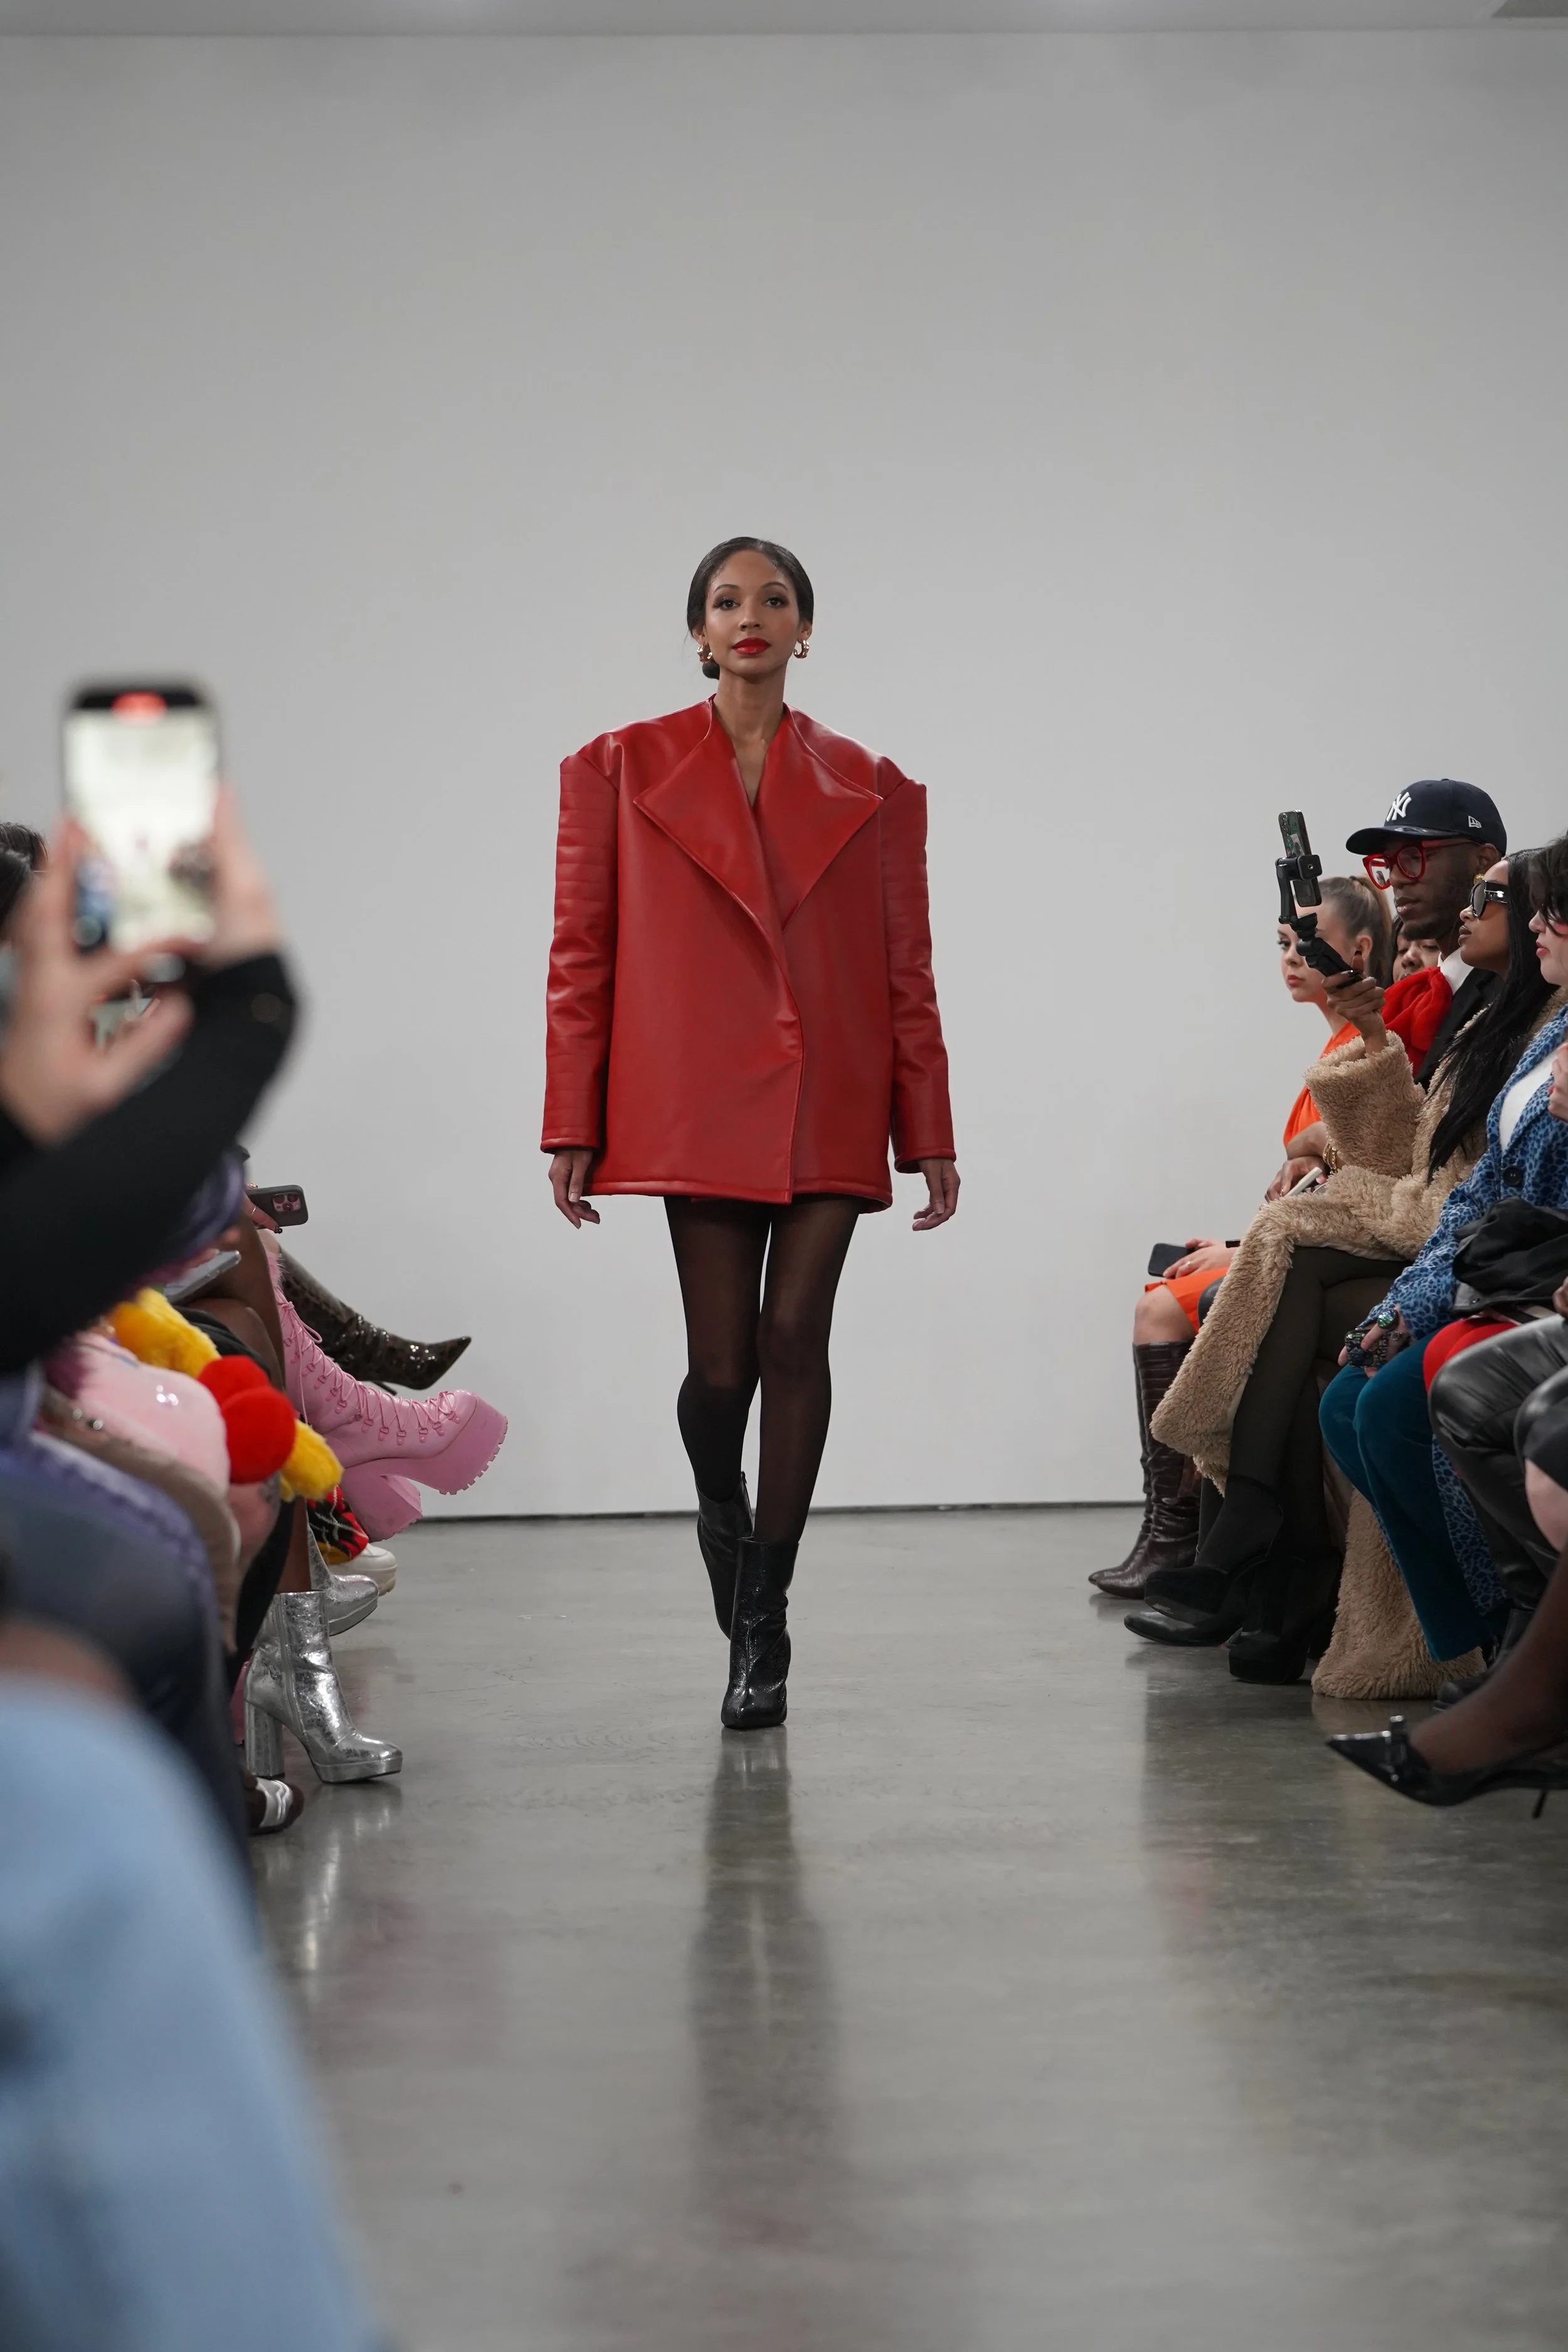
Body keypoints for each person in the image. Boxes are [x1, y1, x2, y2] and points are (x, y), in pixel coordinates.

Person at [542, 537, 957, 1729]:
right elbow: (582, 956)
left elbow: (905, 969)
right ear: (698, 630)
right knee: (721, 1370)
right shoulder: (616, 769)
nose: (752, 615)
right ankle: (718, 1497)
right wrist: (573, 1115)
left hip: (831, 1090)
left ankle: (764, 1619)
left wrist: (925, 1126)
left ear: (807, 630)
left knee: (792, 1339)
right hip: (696, 1099)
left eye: (776, 599)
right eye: (728, 600)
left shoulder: (876, 786)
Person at [1140, 846, 1548, 1682]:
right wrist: (1369, 1033)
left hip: (1481, 1258)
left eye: (1487, 892)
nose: (1464, 905)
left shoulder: (1525, 1024)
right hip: (1443, 1235)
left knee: (1287, 1273)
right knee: (1286, 1267)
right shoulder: (1488, 1013)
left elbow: (1468, 1180)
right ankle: (1256, 1560)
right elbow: (1415, 1154)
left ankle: (1244, 1544)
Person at [1093, 876, 1394, 1601]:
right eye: (1284, 943)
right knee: (1160, 1291)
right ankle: (1172, 1527)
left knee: (1160, 1307)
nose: (1291, 958)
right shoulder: (1337, 1050)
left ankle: (1176, 1531)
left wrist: (1244, 1249)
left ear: (1358, 950)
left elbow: (1367, 1184)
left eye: (1308, 944)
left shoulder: (1368, 1051)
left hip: (1337, 1250)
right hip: (1305, 1241)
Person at [1317, 835, 1568, 1666]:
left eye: (1541, 907)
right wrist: (1409, 1301)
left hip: (1530, 1281)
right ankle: (1481, 1638)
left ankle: (1510, 1641)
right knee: (1346, 1396)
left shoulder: (1513, 1019)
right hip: (1481, 1263)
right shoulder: (1532, 1029)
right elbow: (1474, 1185)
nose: (1534, 922)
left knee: (1397, 1395)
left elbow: (1427, 1170)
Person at [1347, 776, 1507, 1081]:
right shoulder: (1405, 998)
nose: (1396, 878)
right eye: (1389, 862)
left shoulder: (1517, 983)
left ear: (1483, 861)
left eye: (1414, 856)